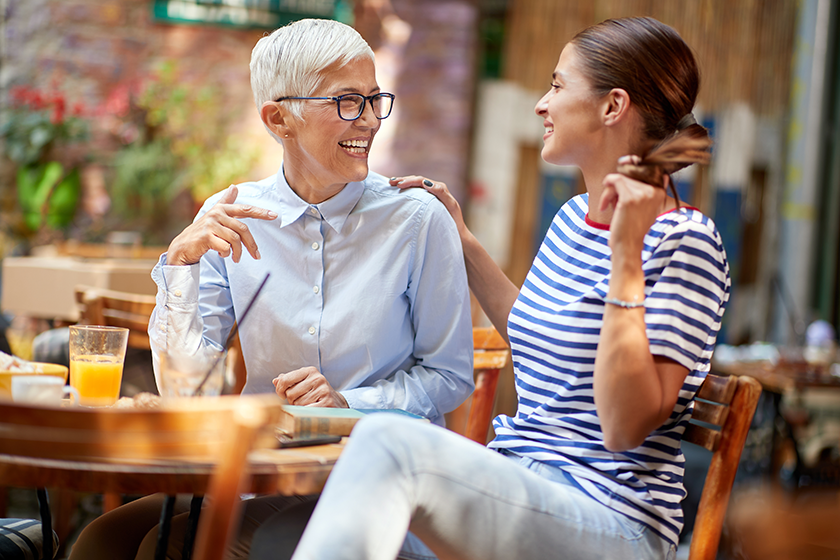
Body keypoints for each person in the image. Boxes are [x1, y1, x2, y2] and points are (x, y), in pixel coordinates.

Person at [287, 16, 730, 560]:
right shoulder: (571, 219)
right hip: (521, 481)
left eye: (558, 85)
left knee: (386, 445)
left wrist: (626, 259)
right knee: (286, 524)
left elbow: (623, 425)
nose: (542, 104)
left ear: (613, 106)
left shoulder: (685, 241)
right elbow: (533, 333)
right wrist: (464, 241)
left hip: (612, 520)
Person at [68, 18, 473, 560]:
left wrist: (345, 402)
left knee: (172, 545)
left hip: (378, 478)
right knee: (101, 541)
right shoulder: (232, 215)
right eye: (348, 102)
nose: (372, 120)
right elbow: (186, 388)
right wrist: (182, 269)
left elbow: (449, 375)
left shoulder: (416, 219)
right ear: (279, 118)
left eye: (376, 99)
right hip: (263, 474)